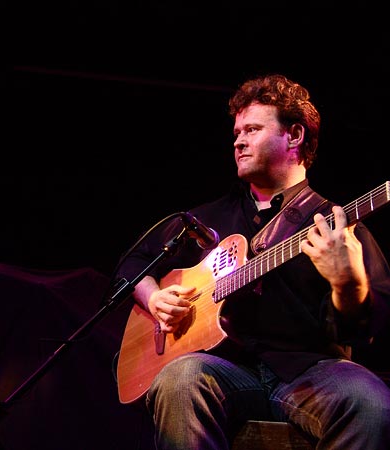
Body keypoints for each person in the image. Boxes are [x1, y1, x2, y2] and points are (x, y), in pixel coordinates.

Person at [116, 74, 390, 449]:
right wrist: (153, 298)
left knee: (371, 401)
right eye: (236, 133)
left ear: (293, 137)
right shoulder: (206, 219)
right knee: (179, 377)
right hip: (225, 371)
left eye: (253, 129)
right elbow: (134, 264)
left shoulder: (339, 226)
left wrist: (348, 284)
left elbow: (363, 329)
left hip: (309, 373)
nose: (238, 141)